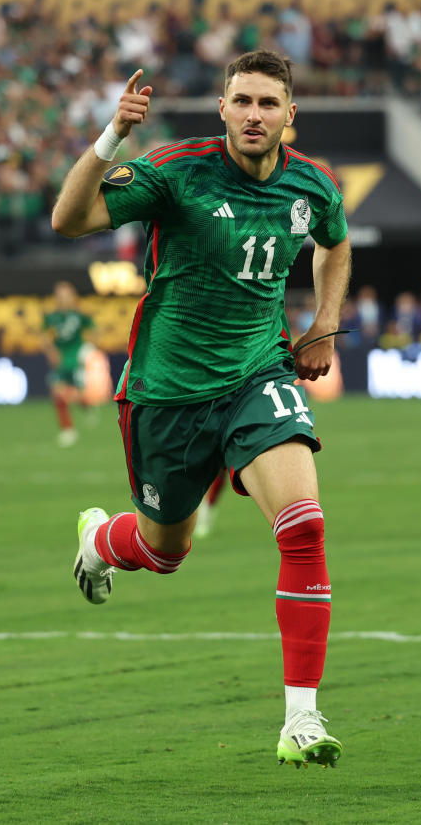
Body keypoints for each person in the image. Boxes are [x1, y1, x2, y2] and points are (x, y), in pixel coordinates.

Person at [50, 51, 351, 768]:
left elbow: (334, 247)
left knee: (304, 525)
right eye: (241, 101)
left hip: (258, 374)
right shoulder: (177, 169)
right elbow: (69, 218)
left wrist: (324, 325)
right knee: (164, 550)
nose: (254, 115)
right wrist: (110, 137)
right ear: (222, 109)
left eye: (268, 103)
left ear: (289, 115)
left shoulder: (313, 184)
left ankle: (301, 720)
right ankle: (100, 543)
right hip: (168, 393)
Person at [41, 281, 96, 447]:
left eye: (66, 295)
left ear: (72, 297)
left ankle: (86, 406)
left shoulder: (79, 315)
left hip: (76, 359)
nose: (63, 299)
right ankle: (68, 430)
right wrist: (50, 351)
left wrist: (87, 349)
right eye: (60, 295)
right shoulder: (52, 317)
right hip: (61, 360)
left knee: (77, 395)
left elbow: (94, 331)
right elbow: (43, 338)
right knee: (57, 392)